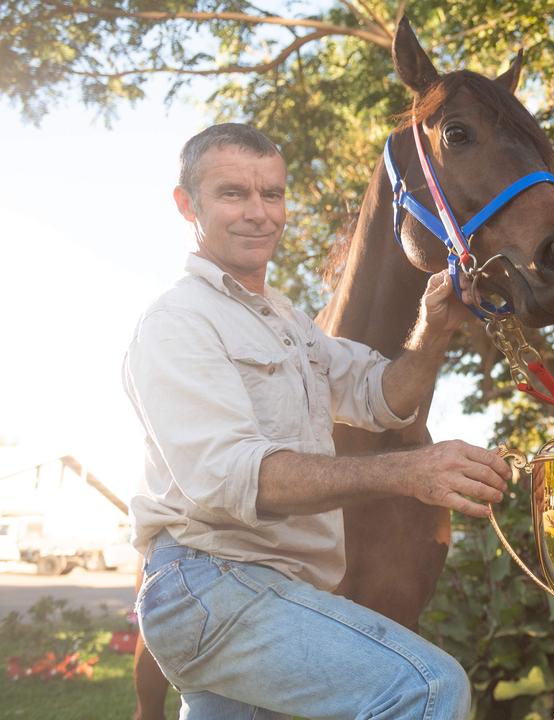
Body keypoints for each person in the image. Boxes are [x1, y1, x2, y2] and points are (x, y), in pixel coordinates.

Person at [124, 123, 509, 719]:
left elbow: (383, 395)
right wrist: (409, 472)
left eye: (271, 194)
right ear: (187, 205)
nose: (259, 213)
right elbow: (240, 478)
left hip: (270, 592)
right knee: (428, 687)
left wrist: (436, 329)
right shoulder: (179, 322)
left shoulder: (286, 322)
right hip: (215, 585)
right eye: (233, 194)